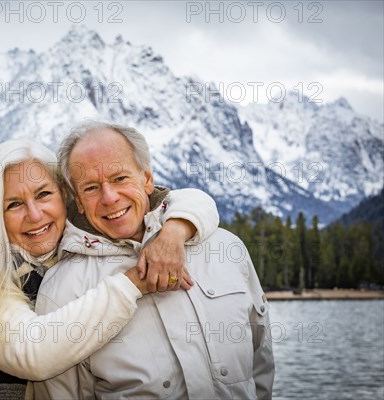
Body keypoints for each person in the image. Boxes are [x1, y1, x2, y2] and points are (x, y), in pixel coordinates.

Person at [0, 139, 220, 399]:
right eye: (13, 205)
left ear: (65, 196)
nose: (35, 215)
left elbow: (187, 198)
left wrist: (173, 233)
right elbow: (31, 354)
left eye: (43, 195)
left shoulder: (71, 242)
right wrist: (133, 283)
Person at [35, 121, 275, 399]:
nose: (110, 197)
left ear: (147, 179)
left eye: (120, 178)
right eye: (91, 188)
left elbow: (261, 358)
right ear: (78, 201)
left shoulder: (226, 248)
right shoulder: (60, 291)